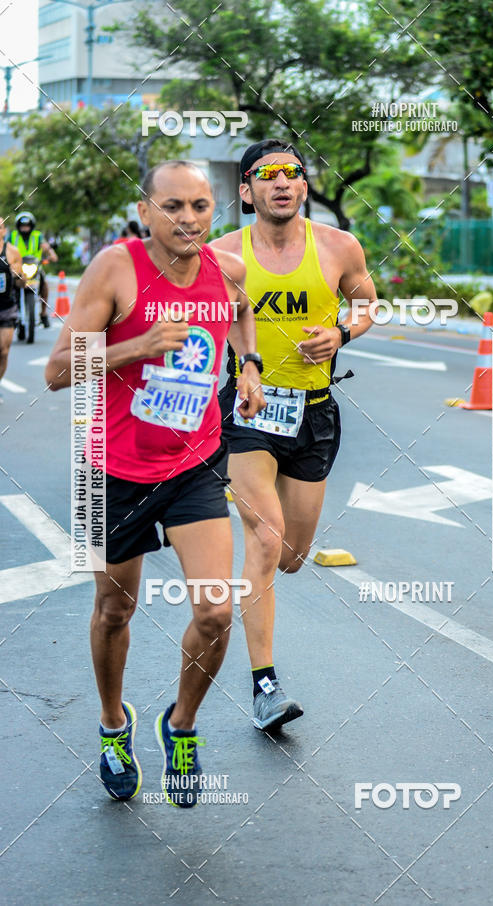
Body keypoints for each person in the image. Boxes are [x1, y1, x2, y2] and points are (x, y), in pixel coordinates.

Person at [45, 160, 265, 807]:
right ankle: (115, 726)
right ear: (146, 211)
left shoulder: (228, 270)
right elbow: (58, 370)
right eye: (173, 206)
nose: (189, 219)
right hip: (114, 472)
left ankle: (183, 727)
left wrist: (247, 365)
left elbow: (242, 313)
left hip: (195, 464)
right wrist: (133, 348)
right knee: (116, 609)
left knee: (217, 610)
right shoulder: (116, 268)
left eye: (200, 206)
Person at [211, 139, 376, 732]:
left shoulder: (337, 246)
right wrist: (246, 362)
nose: (282, 182)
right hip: (249, 411)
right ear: (246, 190)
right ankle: (265, 686)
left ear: (304, 187)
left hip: (314, 413)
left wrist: (342, 333)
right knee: (262, 540)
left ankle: (265, 636)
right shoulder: (224, 254)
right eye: (268, 174)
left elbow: (366, 303)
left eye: (293, 173)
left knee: (291, 556)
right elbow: (219, 314)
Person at [10, 211, 58, 327]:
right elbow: (6, 247)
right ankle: (11, 313)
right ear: (18, 227)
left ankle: (43, 313)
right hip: (18, 268)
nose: (25, 228)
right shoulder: (13, 236)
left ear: (31, 226)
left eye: (27, 226)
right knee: (9, 285)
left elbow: (45, 246)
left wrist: (51, 254)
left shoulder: (37, 236)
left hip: (35, 266)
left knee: (44, 284)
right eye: (22, 226)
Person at [0, 216, 25, 402]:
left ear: (4, 231)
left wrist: (21, 278)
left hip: (7, 306)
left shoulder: (12, 252)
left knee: (4, 351)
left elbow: (21, 283)